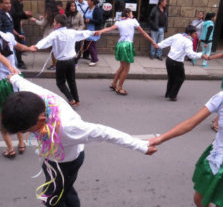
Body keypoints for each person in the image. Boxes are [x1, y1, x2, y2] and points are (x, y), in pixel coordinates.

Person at [1, 74, 157, 207]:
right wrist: (12, 77)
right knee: (66, 190)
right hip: (52, 158)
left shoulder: (67, 127)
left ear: (41, 119)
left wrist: (141, 146)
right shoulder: (31, 96)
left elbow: (105, 132)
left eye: (27, 130)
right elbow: (20, 81)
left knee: (53, 197)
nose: (27, 132)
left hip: (65, 164)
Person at [149, 90, 223, 207]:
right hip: (217, 158)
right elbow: (191, 122)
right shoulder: (221, 97)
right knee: (200, 199)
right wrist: (160, 139)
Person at [31, 14, 95, 107]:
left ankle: (71, 99)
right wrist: (93, 32)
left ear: (58, 24)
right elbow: (83, 33)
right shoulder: (71, 32)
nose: (53, 24)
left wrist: (36, 46)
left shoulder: (55, 34)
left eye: (54, 22)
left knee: (60, 83)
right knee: (71, 81)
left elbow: (46, 41)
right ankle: (76, 100)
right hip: (71, 61)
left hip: (62, 62)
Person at [96, 8, 157, 95]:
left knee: (122, 67)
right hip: (127, 45)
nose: (133, 15)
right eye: (132, 13)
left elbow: (109, 28)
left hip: (120, 45)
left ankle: (114, 84)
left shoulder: (119, 22)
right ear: (128, 14)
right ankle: (119, 87)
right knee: (126, 69)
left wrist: (100, 31)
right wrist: (152, 41)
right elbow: (143, 33)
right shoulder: (133, 21)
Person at [0, 31, 35, 158]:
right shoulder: (8, 35)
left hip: (2, 82)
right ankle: (21, 143)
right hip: (15, 79)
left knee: (2, 116)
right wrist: (30, 48)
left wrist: (9, 66)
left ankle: (10, 149)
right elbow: (19, 46)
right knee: (17, 110)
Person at [156, 25, 207, 101]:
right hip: (176, 62)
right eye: (194, 33)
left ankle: (168, 93)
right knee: (180, 78)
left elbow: (167, 41)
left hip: (169, 59)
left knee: (172, 78)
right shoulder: (188, 41)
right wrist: (201, 55)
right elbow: (190, 54)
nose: (195, 35)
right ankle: (172, 95)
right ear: (189, 33)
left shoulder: (178, 35)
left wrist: (159, 45)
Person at [30, 0, 59, 70]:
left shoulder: (48, 13)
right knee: (55, 50)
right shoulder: (55, 11)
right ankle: (56, 64)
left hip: (49, 33)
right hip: (55, 32)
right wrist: (43, 18)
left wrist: (34, 20)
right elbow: (48, 21)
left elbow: (42, 24)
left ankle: (55, 65)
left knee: (52, 50)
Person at [10, 0, 32, 69]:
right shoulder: (13, 1)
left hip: (17, 26)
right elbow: (13, 15)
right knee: (14, 44)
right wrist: (24, 14)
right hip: (12, 27)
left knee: (18, 43)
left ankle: (19, 61)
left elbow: (19, 15)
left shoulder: (20, 2)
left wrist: (26, 15)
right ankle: (17, 62)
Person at [83, 0, 103, 66]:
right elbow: (84, 17)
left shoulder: (97, 10)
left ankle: (94, 59)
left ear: (92, 2)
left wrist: (90, 21)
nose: (87, 2)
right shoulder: (88, 8)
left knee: (90, 45)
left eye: (88, 0)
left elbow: (99, 21)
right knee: (91, 45)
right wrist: (85, 21)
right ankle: (93, 58)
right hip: (88, 30)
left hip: (95, 30)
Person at [65, 0, 85, 67]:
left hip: (76, 34)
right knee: (69, 48)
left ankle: (75, 61)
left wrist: (78, 31)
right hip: (68, 34)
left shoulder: (79, 14)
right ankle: (69, 60)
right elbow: (63, 24)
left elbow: (82, 24)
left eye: (74, 6)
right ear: (68, 7)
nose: (73, 7)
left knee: (76, 48)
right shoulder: (65, 14)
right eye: (71, 6)